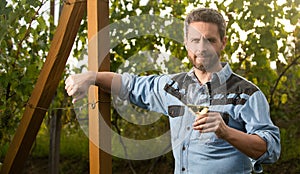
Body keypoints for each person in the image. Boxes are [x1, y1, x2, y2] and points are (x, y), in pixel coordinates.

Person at [65, 8, 280, 174]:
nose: (201, 48)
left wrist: (226, 132)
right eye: (195, 40)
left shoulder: (246, 93)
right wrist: (91, 77)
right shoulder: (172, 87)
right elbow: (130, 85)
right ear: (186, 43)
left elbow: (271, 149)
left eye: (210, 40)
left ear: (223, 42)